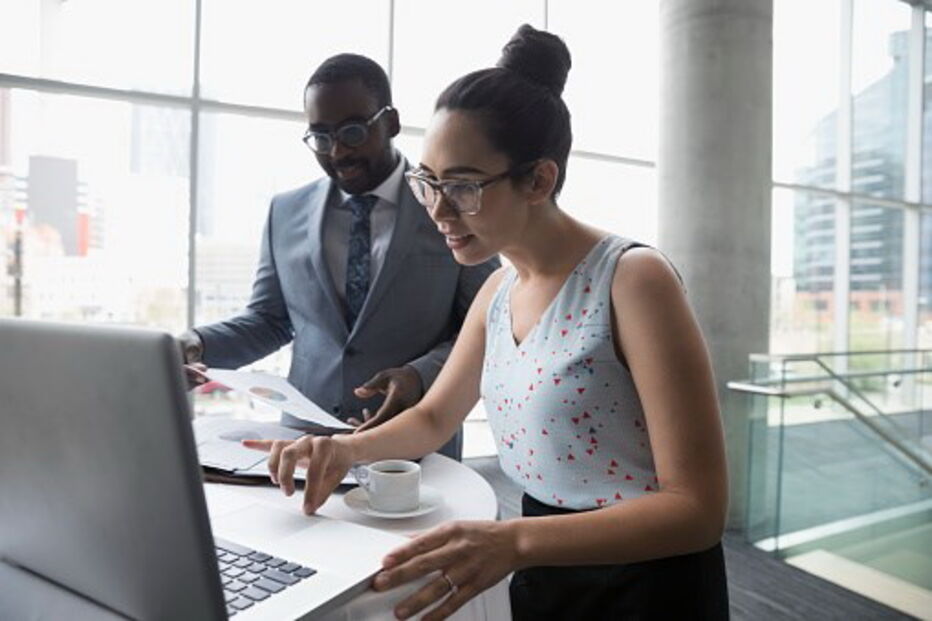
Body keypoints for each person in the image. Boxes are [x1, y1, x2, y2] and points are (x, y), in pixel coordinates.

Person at [245, 25, 730, 620]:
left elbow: (698, 508)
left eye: (464, 187)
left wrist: (515, 542)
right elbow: (432, 417)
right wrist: (344, 450)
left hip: (644, 579)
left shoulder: (632, 280)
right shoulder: (499, 291)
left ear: (539, 180)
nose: (439, 211)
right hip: (541, 561)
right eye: (429, 183)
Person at [181, 54, 499, 460]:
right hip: (301, 447)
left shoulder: (451, 207)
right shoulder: (285, 211)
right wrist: (193, 346)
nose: (337, 153)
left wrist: (419, 376)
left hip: (414, 443)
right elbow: (269, 321)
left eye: (352, 132)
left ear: (392, 123)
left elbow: (486, 325)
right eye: (321, 137)